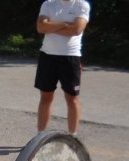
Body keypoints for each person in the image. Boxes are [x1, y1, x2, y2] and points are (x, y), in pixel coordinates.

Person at [34, 0, 90, 135]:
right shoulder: (49, 4)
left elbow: (76, 30)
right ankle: (41, 135)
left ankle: (72, 136)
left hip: (70, 57)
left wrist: (51, 26)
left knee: (72, 98)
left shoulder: (81, 5)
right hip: (47, 56)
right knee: (46, 97)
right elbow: (41, 27)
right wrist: (65, 24)